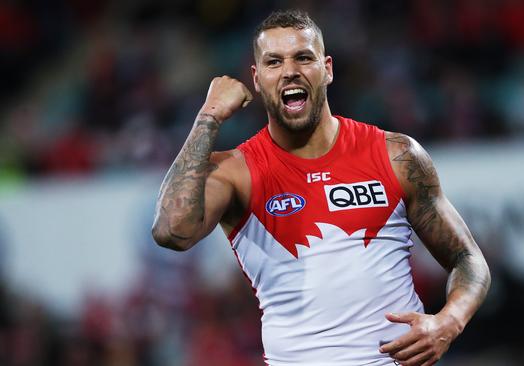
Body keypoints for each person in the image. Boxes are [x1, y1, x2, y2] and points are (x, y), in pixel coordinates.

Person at [152, 9, 490, 366]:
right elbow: (172, 232)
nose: (290, 71)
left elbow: (468, 259)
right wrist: (208, 117)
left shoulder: (397, 155)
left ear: (327, 68)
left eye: (303, 57)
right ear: (256, 78)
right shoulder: (237, 172)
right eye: (274, 62)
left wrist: (448, 322)